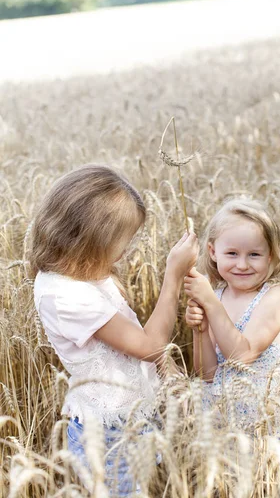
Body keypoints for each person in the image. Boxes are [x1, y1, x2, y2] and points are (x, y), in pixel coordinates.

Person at [31, 164, 198, 496]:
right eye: (123, 240)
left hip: (134, 418)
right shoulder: (65, 295)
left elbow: (134, 341)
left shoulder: (87, 272)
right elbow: (149, 345)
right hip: (107, 434)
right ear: (90, 240)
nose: (128, 249)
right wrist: (172, 277)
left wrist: (172, 377)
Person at [185, 199, 280, 497]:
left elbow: (242, 355)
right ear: (212, 252)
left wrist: (210, 305)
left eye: (254, 254)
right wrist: (201, 330)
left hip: (273, 429)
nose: (242, 264)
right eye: (232, 253)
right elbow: (206, 372)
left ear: (271, 257)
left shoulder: (275, 296)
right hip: (230, 427)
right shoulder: (216, 295)